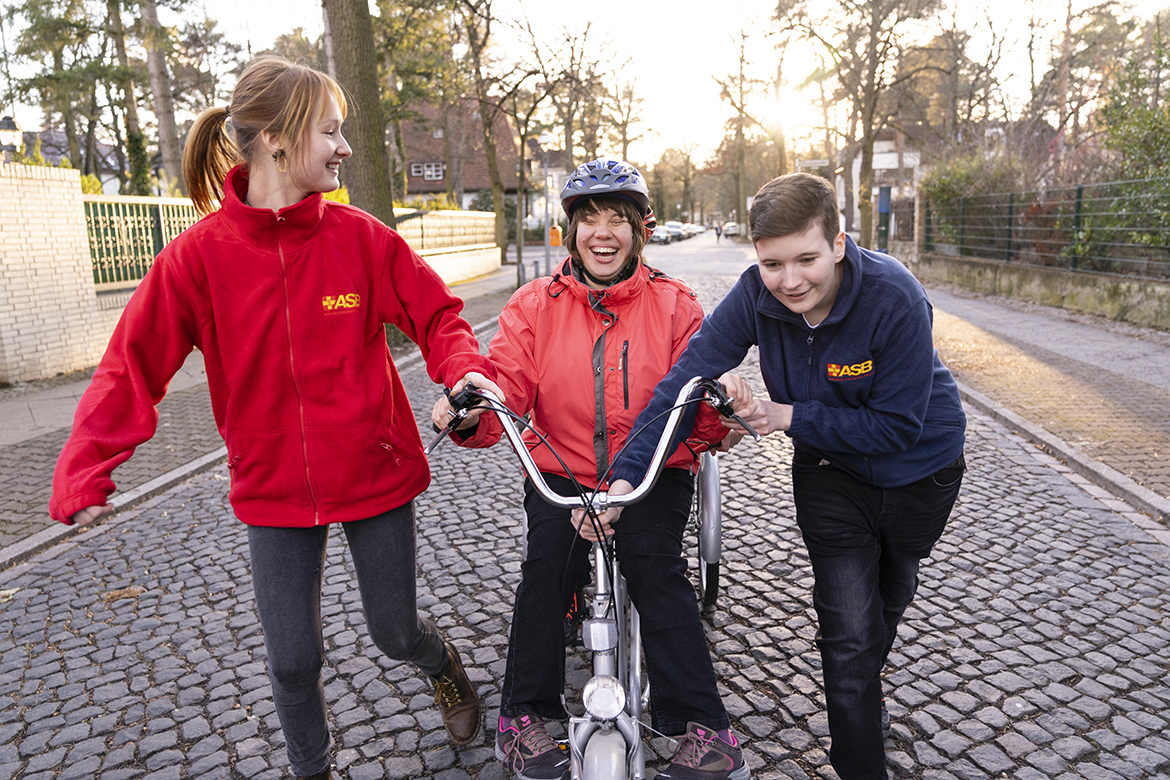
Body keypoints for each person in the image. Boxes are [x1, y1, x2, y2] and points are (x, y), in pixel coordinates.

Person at [48, 56, 505, 780]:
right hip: (272, 486)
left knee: (393, 631)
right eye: (331, 131)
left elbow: (440, 315)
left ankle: (442, 664)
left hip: (374, 468)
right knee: (292, 659)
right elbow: (130, 364)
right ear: (279, 141)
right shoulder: (196, 260)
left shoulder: (362, 239)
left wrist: (464, 375)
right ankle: (311, 768)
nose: (345, 147)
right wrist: (83, 469)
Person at [607, 172, 966, 780]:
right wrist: (626, 475)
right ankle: (860, 759)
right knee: (849, 635)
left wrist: (786, 415)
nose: (790, 280)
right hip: (829, 476)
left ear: (840, 244)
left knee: (887, 603)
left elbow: (897, 428)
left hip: (921, 472)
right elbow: (685, 380)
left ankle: (862, 693)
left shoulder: (895, 297)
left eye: (807, 259)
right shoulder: (756, 295)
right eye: (773, 263)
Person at [431, 158, 750, 780]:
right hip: (562, 471)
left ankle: (706, 730)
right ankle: (522, 717)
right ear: (570, 231)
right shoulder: (531, 308)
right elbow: (504, 392)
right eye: (588, 220)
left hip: (651, 472)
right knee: (546, 571)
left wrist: (721, 406)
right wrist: (467, 408)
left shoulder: (676, 306)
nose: (602, 233)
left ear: (640, 231)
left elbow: (697, 412)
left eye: (618, 220)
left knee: (656, 569)